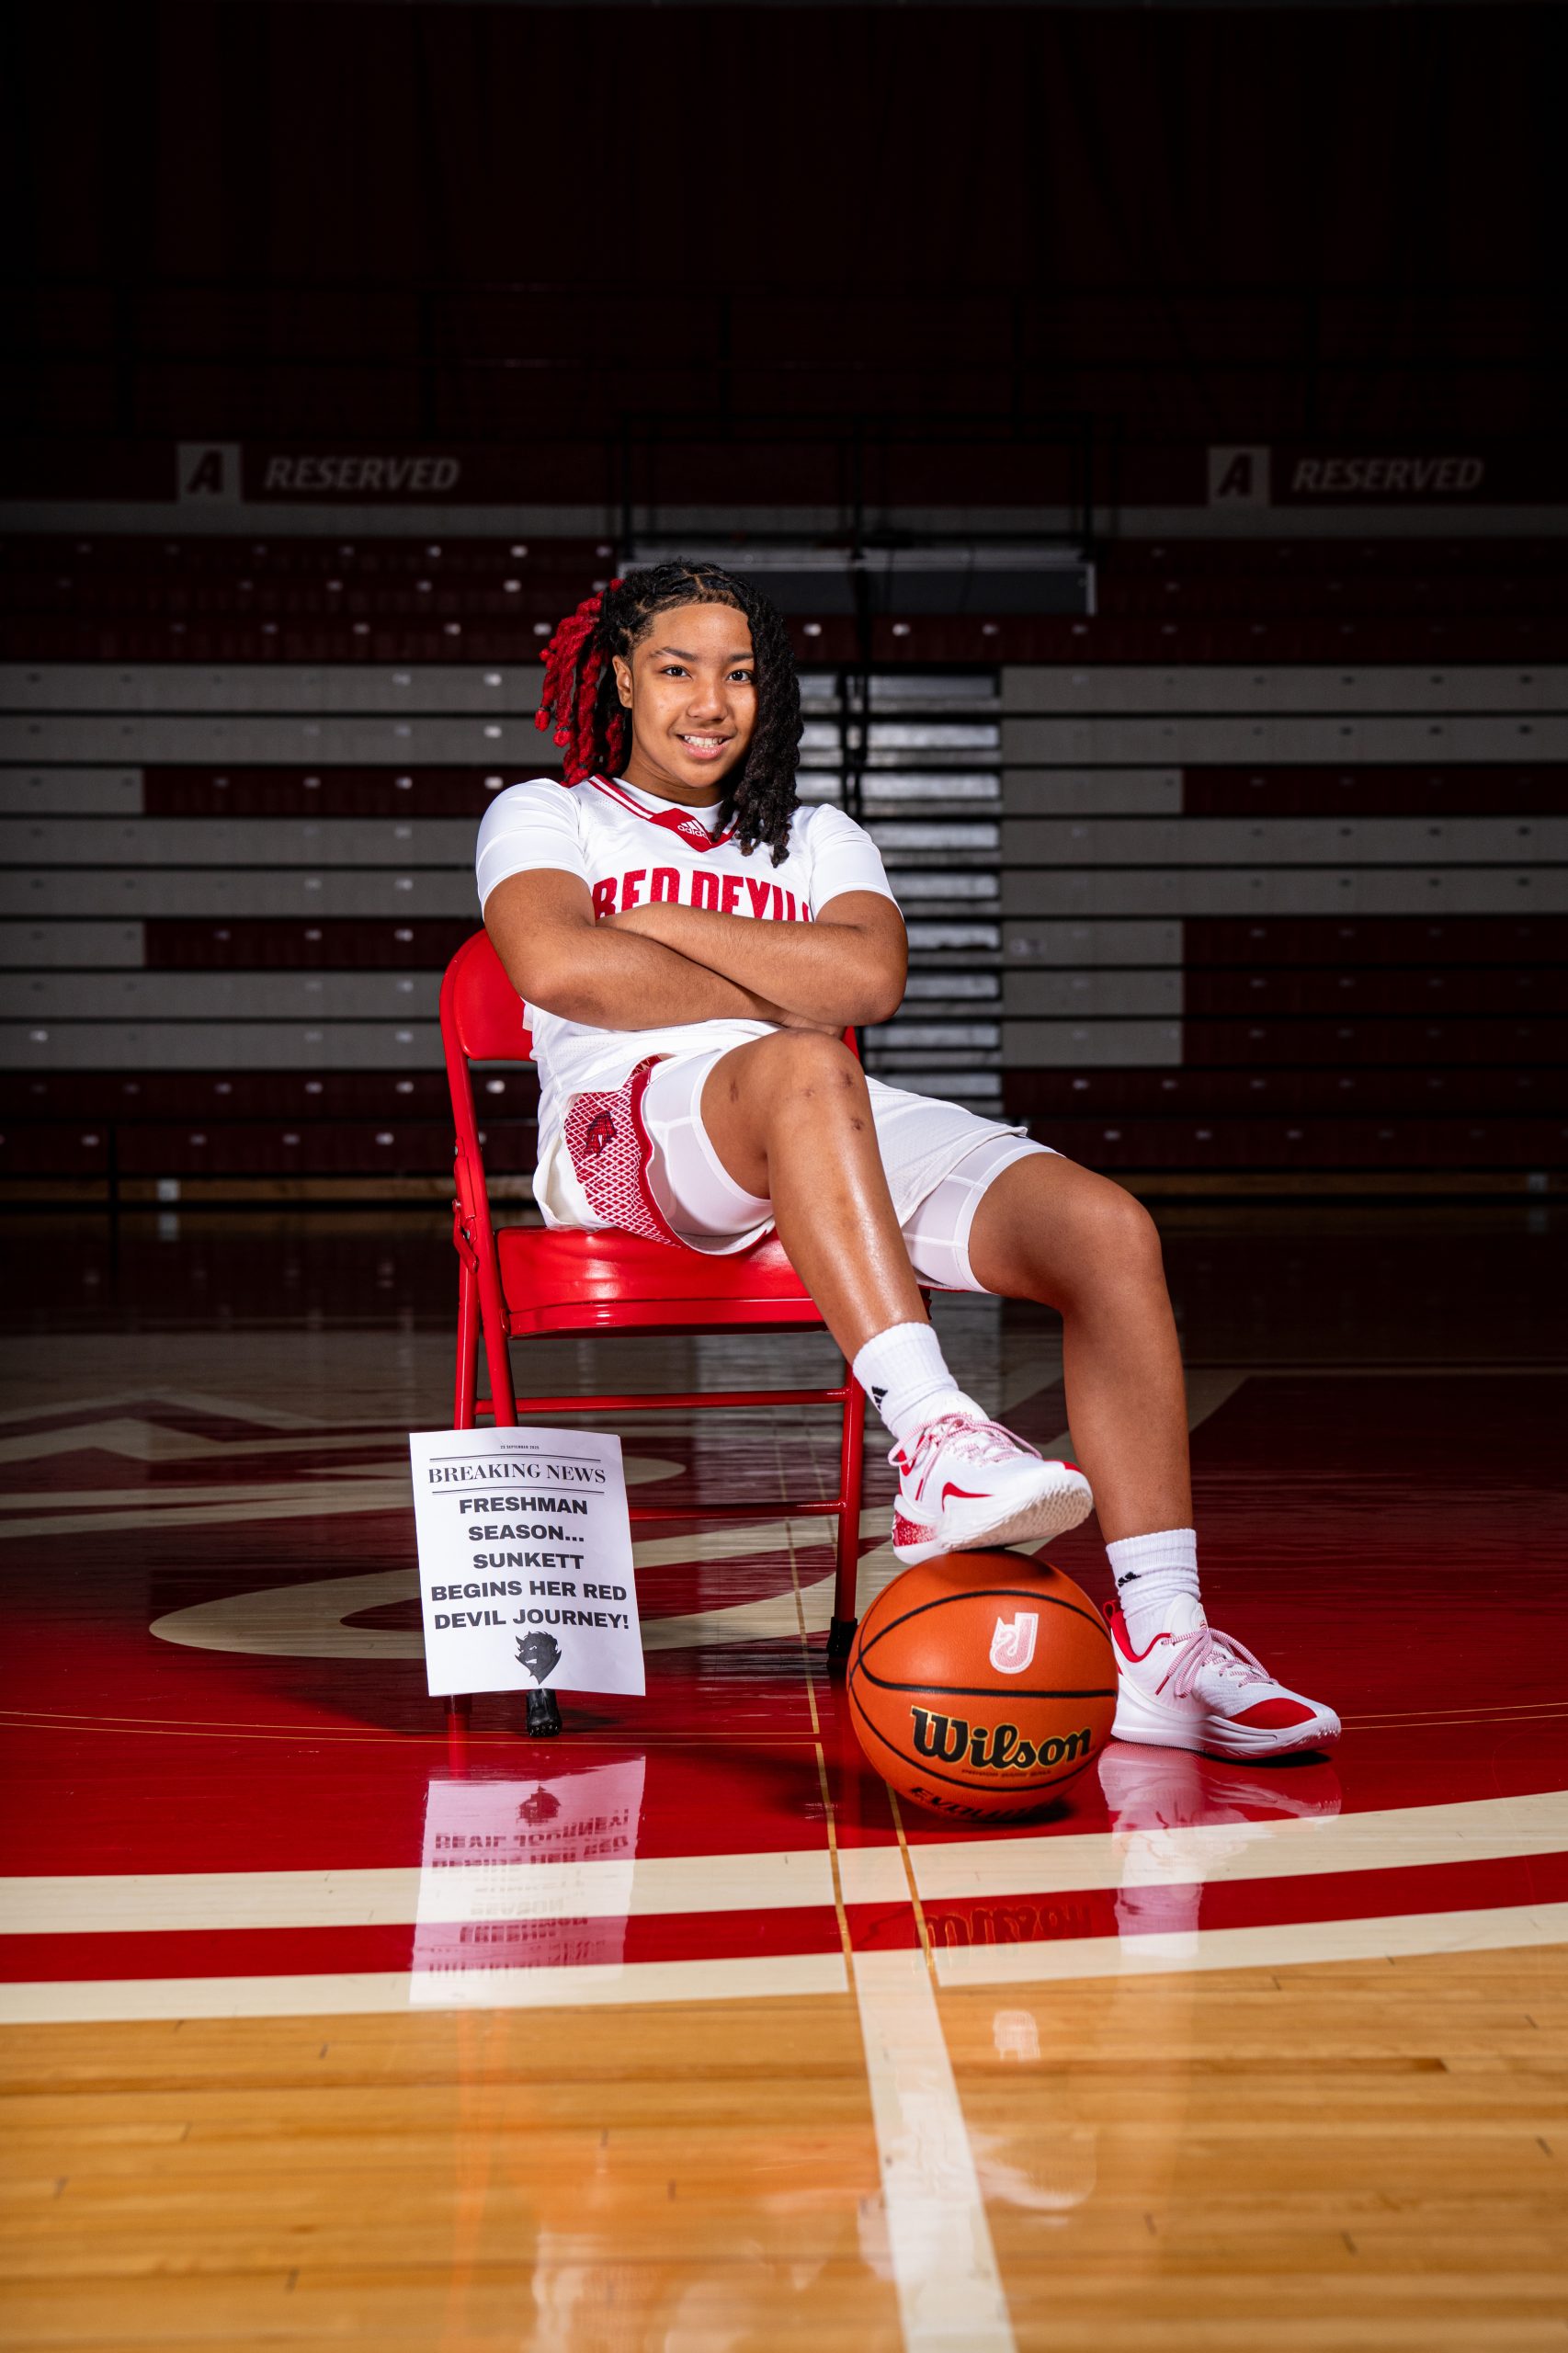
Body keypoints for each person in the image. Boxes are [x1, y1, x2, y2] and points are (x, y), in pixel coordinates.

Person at [478, 562, 1337, 1760]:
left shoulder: (818, 834)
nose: (709, 703)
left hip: (818, 1114)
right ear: (622, 678)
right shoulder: (547, 813)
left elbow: (870, 981)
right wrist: (787, 977)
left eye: (739, 675)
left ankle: (1167, 1643)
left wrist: (663, 928)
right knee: (802, 1063)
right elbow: (560, 968)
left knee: (1103, 1231)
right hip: (627, 1130)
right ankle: (935, 1440)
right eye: (676, 669)